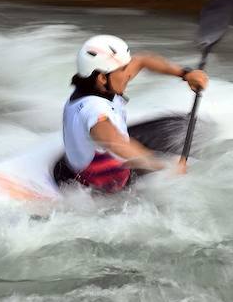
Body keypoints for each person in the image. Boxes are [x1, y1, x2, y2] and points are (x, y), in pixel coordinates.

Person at [62, 35, 208, 193]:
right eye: (124, 70)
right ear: (102, 78)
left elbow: (142, 60)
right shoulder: (94, 110)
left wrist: (186, 74)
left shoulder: (100, 84)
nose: (129, 74)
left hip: (111, 162)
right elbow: (116, 143)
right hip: (101, 185)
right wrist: (165, 167)